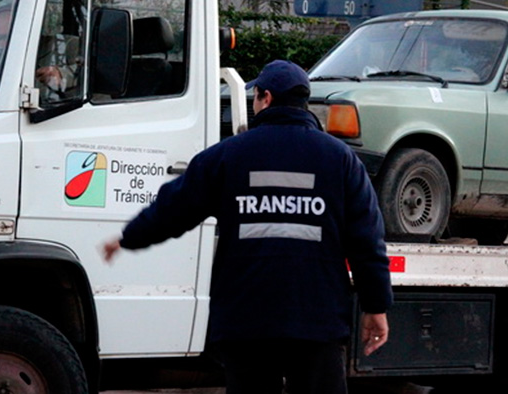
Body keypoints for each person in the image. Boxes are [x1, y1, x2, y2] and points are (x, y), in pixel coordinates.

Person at [103, 60, 393, 394]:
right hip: (317, 321)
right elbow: (367, 241)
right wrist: (375, 306)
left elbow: (173, 210)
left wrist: (128, 238)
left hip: (246, 322)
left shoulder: (227, 156)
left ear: (265, 98)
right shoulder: (341, 160)